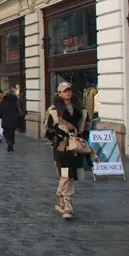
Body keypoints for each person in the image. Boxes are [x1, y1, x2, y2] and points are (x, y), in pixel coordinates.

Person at [44, 82, 89, 220]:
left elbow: (86, 126)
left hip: (75, 146)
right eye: (64, 91)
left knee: (70, 173)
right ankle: (67, 202)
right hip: (62, 147)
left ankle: (60, 197)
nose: (68, 92)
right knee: (65, 173)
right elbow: (47, 129)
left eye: (69, 90)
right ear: (59, 93)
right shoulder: (53, 110)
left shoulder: (80, 109)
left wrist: (81, 139)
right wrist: (57, 137)